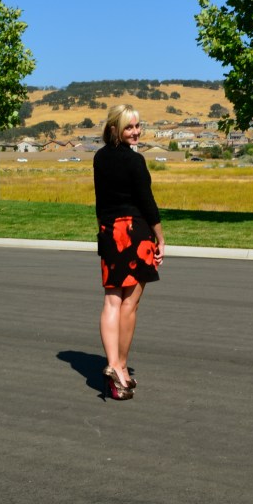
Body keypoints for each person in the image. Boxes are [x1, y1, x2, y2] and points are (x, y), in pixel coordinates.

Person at [93, 104, 165, 400]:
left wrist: (103, 233)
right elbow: (147, 202)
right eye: (129, 127)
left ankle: (112, 365)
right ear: (114, 129)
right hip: (135, 234)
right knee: (129, 304)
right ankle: (120, 366)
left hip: (110, 232)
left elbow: (100, 203)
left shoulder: (99, 158)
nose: (135, 132)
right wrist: (160, 237)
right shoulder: (136, 161)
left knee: (111, 301)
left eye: (137, 126)